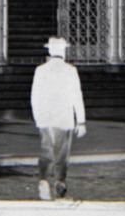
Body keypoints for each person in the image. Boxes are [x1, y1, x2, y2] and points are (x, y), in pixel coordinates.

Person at [30, 36, 87, 200]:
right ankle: (60, 183)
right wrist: (81, 121)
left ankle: (43, 181)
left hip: (45, 118)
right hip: (64, 118)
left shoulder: (40, 70)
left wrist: (37, 117)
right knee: (62, 153)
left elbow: (35, 96)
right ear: (63, 51)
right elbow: (77, 97)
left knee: (46, 149)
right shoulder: (70, 70)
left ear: (49, 50)